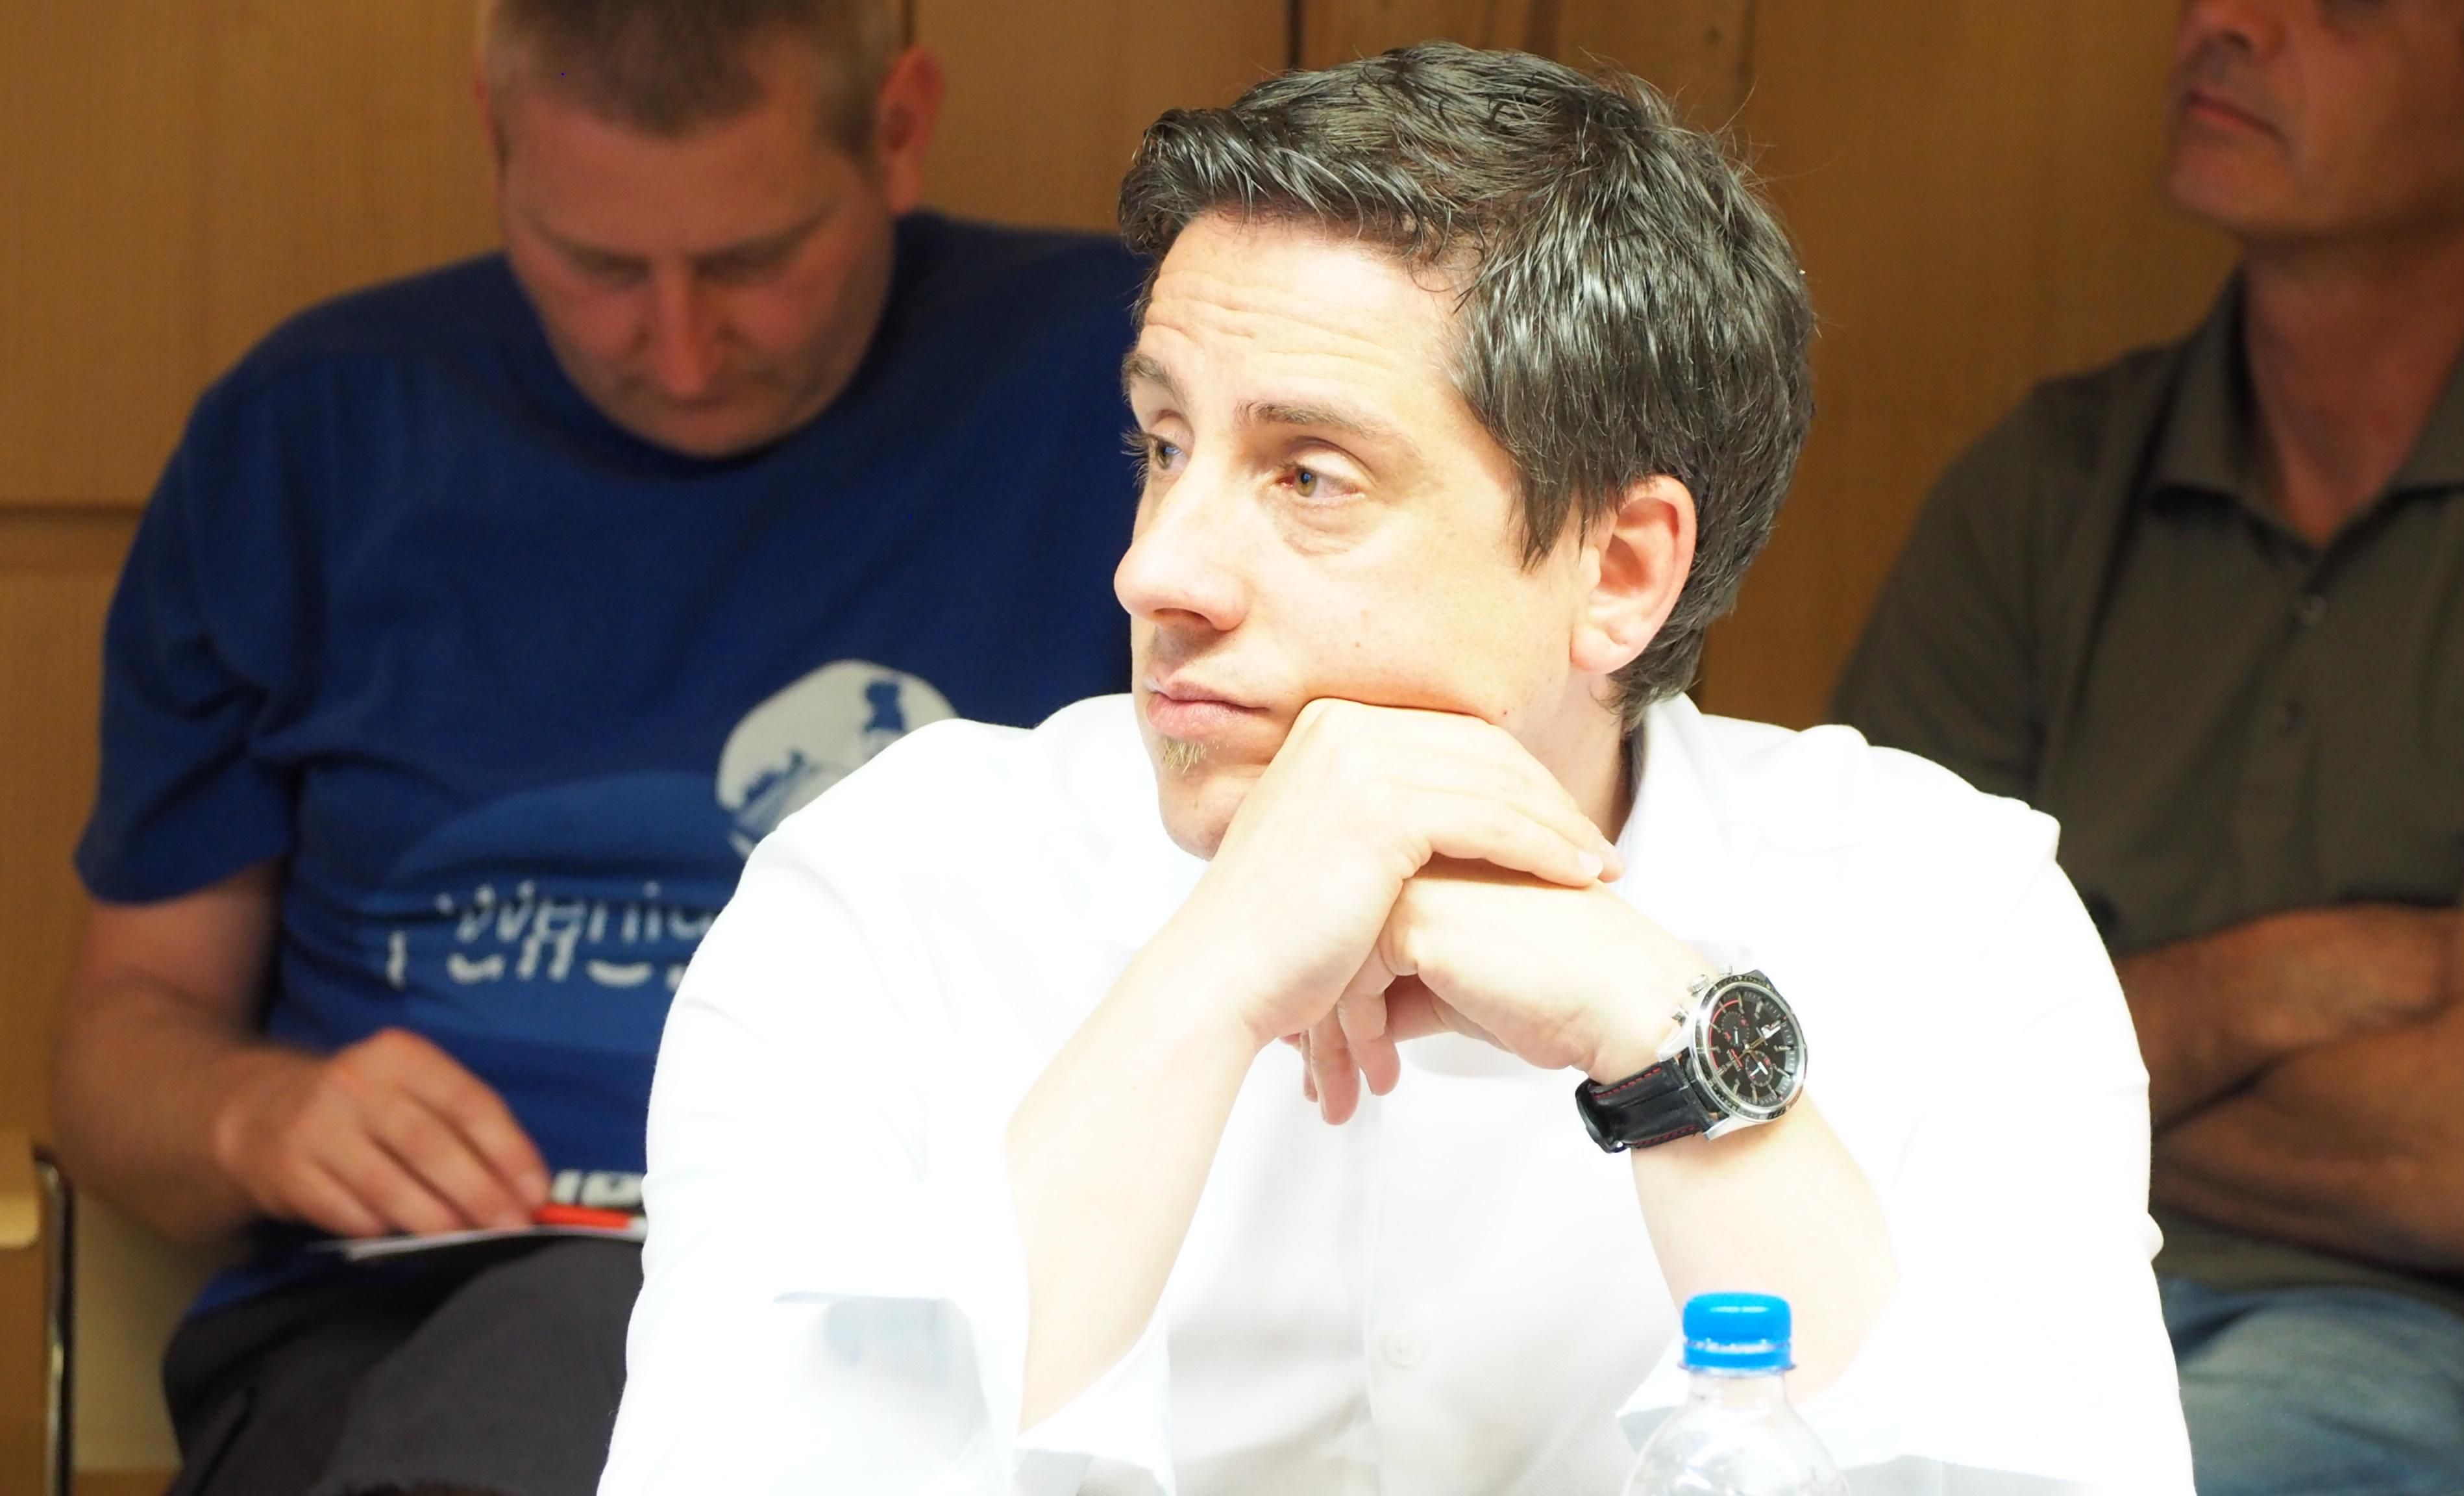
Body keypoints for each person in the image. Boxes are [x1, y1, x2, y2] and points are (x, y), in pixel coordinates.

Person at [600, 44, 2193, 1495]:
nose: (1156, 569)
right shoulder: (889, 889)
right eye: (1163, 445)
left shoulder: (1944, 912)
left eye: (1308, 476)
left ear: (1619, 569)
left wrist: (1672, 1042)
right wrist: (1199, 984)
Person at [45, 0, 1145, 1491]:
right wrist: (253, 1115)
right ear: (496, 142)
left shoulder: (1130, 396)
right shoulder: (309, 433)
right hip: (407, 1315)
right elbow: (118, 1056)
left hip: (959, 1300)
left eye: (754, 262)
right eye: (597, 267)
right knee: (572, 1353)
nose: (679, 354)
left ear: (896, 133)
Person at [1834, 0, 2464, 1490]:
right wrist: (2275, 982)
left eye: (2337, 3)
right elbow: (1842, 1057)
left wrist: (2037, 1078)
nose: (2222, 19)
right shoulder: (2047, 479)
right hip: (2024, 1287)